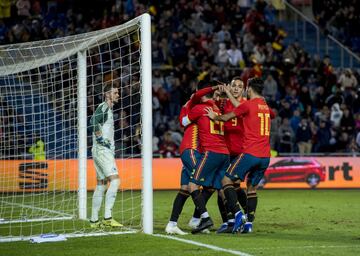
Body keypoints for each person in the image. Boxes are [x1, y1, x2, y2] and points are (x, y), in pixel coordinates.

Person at [205, 77, 274, 234]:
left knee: (225, 180)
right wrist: (229, 93)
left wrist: (214, 117)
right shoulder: (265, 106)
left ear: (249, 89)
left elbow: (227, 117)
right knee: (252, 189)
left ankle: (237, 214)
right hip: (265, 156)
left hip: (251, 153)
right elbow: (242, 107)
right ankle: (249, 224)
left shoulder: (248, 105)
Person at [165, 83, 218, 235]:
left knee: (186, 188)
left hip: (196, 151)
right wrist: (213, 88)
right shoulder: (193, 103)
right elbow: (183, 122)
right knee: (209, 185)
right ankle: (198, 219)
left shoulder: (202, 106)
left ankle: (172, 224)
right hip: (191, 149)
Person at [186, 88, 230, 234]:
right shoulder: (218, 110)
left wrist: (187, 106)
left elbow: (184, 121)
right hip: (225, 154)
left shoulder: (200, 108)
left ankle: (205, 218)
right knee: (219, 188)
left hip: (211, 152)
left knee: (192, 185)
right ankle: (231, 219)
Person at [216, 77, 248, 233]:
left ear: (243, 90)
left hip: (240, 152)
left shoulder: (245, 104)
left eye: (239, 86)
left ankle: (245, 217)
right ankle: (229, 221)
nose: (236, 88)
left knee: (232, 186)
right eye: (233, 86)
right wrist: (218, 93)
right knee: (222, 187)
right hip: (224, 151)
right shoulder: (223, 104)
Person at [89, 84, 123, 228]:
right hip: (102, 150)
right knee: (115, 181)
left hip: (99, 150)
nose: (118, 95)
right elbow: (93, 121)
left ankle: (94, 220)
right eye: (115, 93)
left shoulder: (107, 109)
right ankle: (108, 217)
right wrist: (100, 138)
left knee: (101, 185)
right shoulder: (103, 107)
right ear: (107, 94)